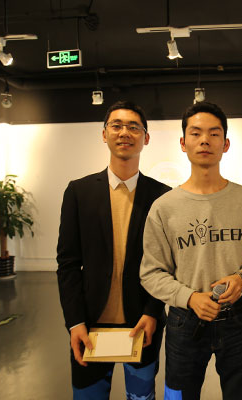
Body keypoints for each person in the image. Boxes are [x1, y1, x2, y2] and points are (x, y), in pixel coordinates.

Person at [140, 101, 242, 400]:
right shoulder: (164, 207)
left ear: (226, 144)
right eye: (196, 133)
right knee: (178, 396)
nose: (205, 140)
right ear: (183, 143)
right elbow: (151, 272)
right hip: (185, 321)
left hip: (237, 319)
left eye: (214, 133)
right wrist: (189, 297)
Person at [57, 100, 170, 399]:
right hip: (90, 325)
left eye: (134, 127)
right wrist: (75, 322)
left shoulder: (162, 196)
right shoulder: (79, 192)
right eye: (116, 125)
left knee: (141, 396)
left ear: (146, 138)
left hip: (142, 324)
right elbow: (68, 264)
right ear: (104, 134)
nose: (124, 133)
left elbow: (167, 264)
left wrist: (153, 312)